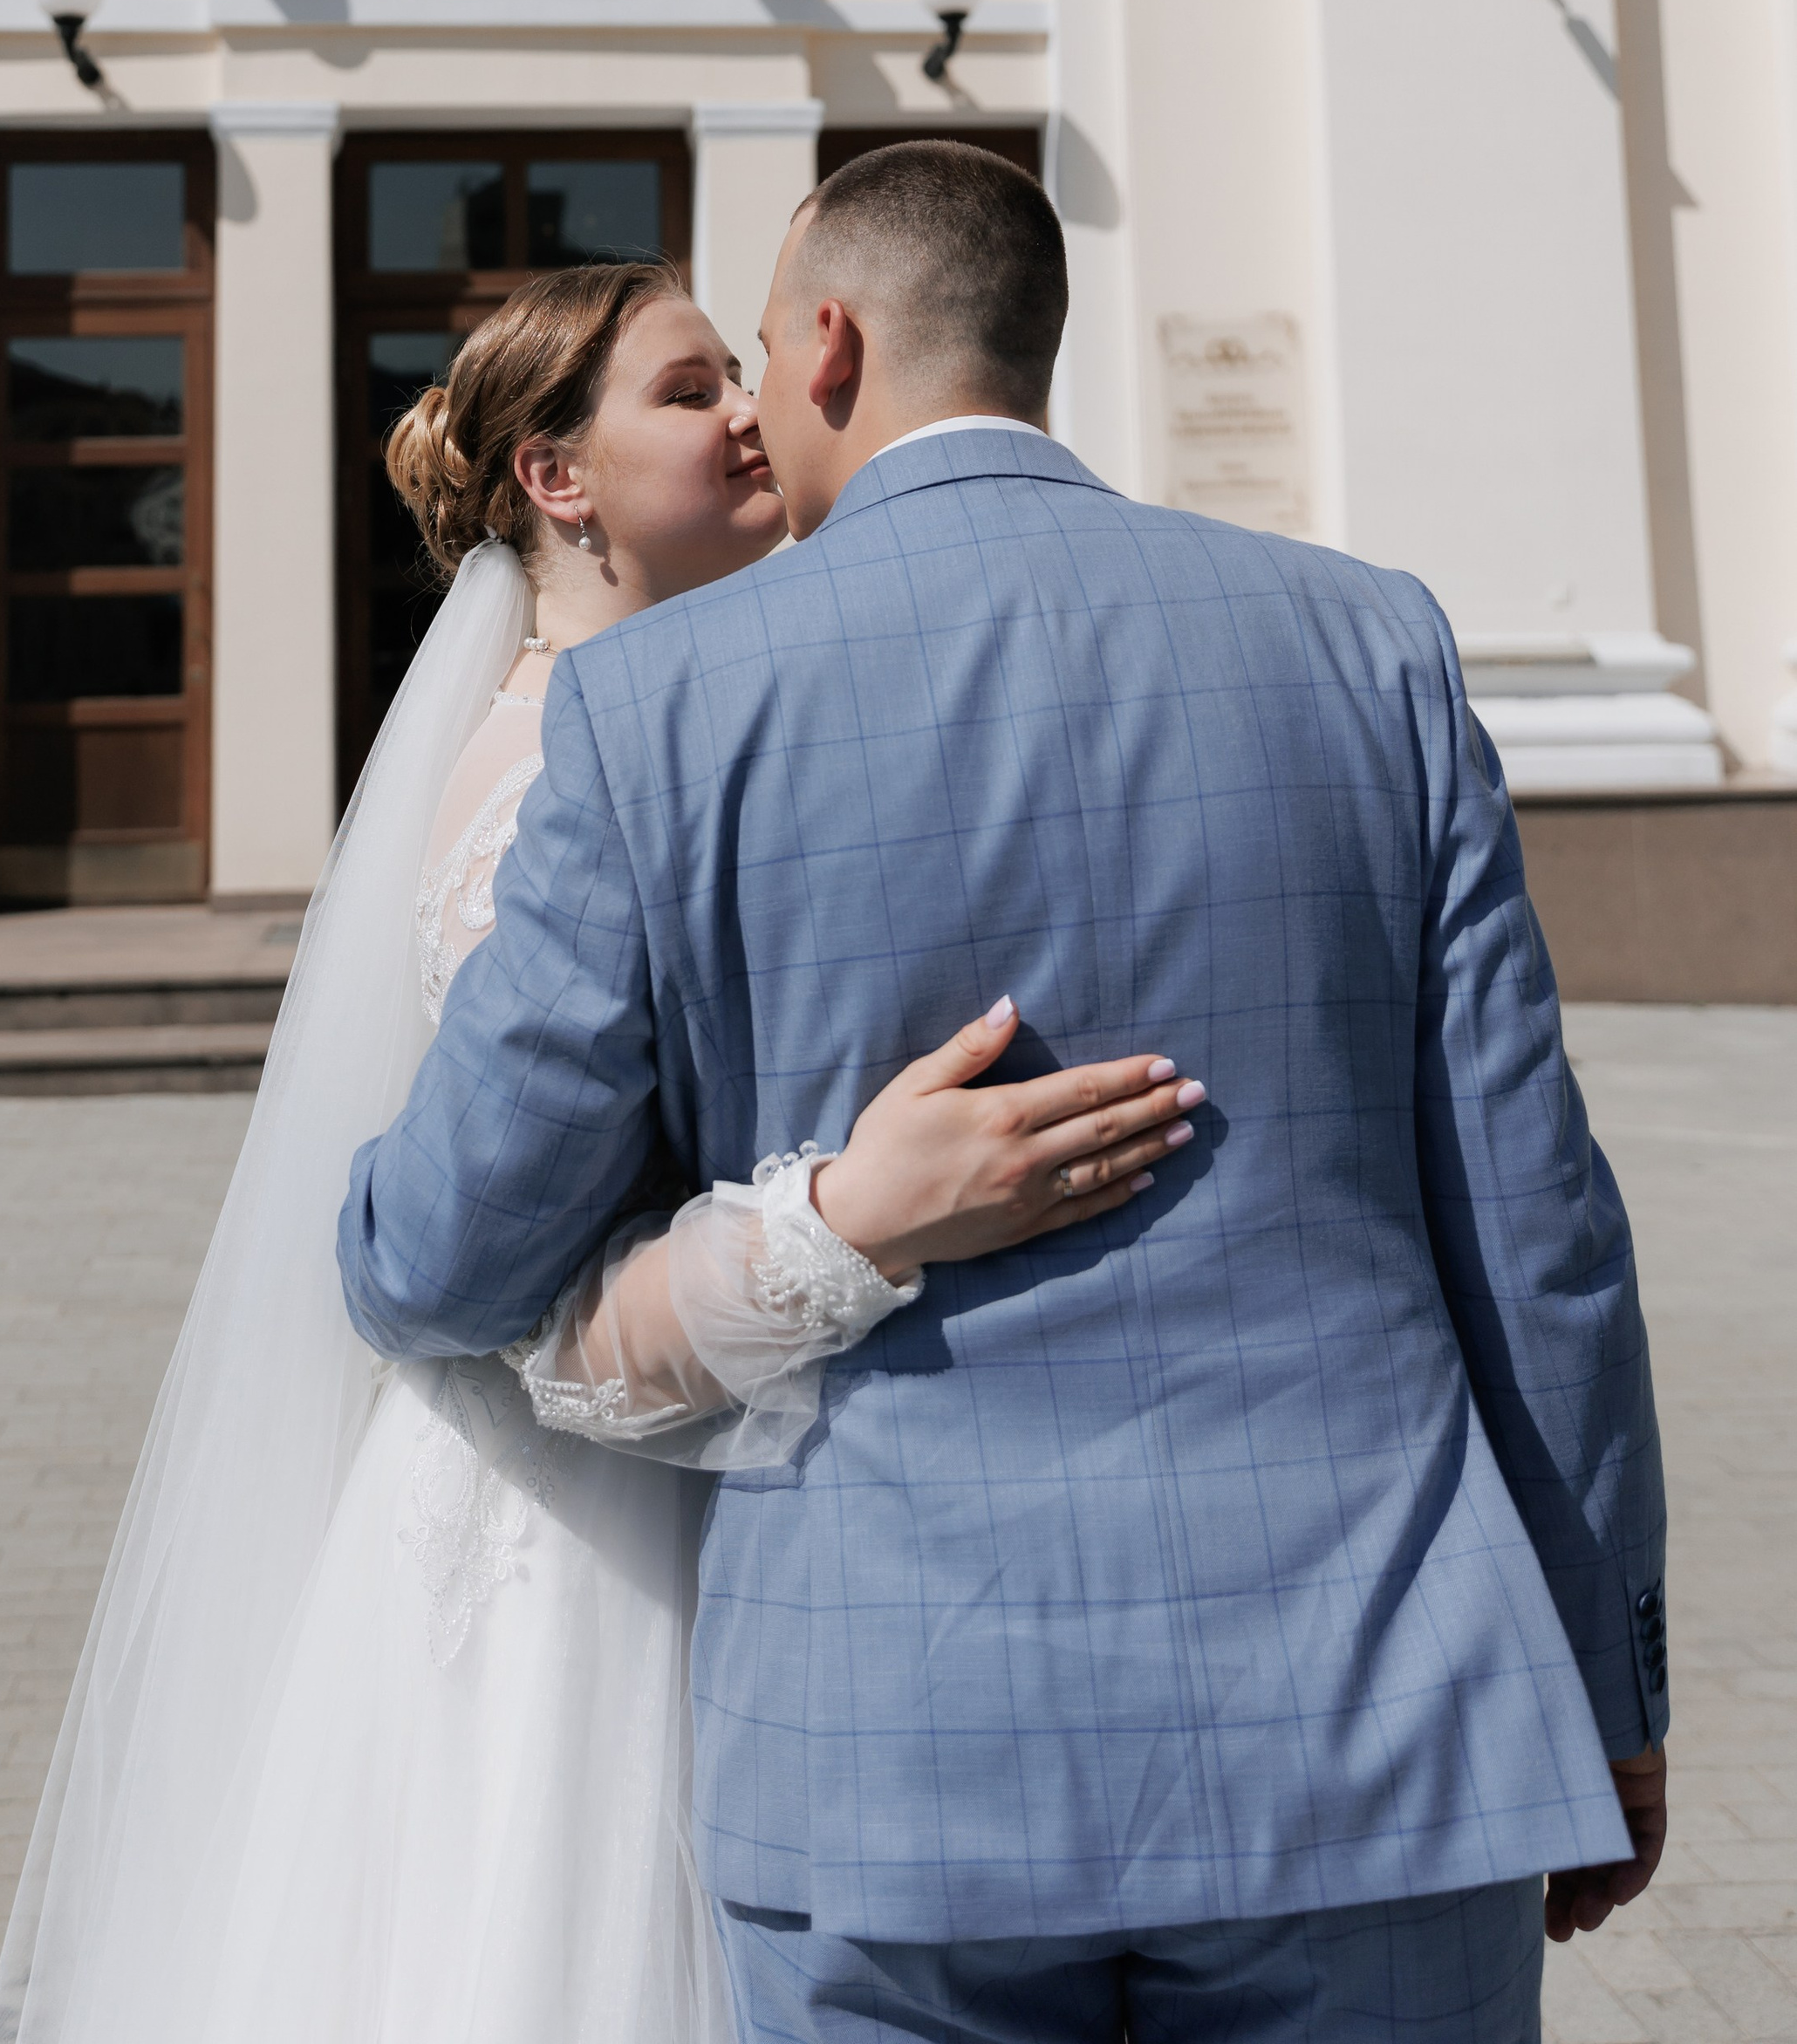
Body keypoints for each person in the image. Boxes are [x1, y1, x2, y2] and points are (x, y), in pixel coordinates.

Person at [342, 140, 1671, 2044]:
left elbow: (451, 1262)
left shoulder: (654, 711)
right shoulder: (1369, 639)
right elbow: (1537, 1231)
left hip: (892, 1772)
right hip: (1378, 1728)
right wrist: (1604, 1698)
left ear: (822, 345)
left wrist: (367, 1221)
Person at [0, 255, 1201, 2044]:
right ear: (558, 480)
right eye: (687, 387)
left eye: (739, 371)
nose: (746, 410)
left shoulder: (718, 706)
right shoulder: (564, 745)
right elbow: (490, 1265)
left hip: (761, 1478)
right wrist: (853, 1217)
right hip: (581, 1519)